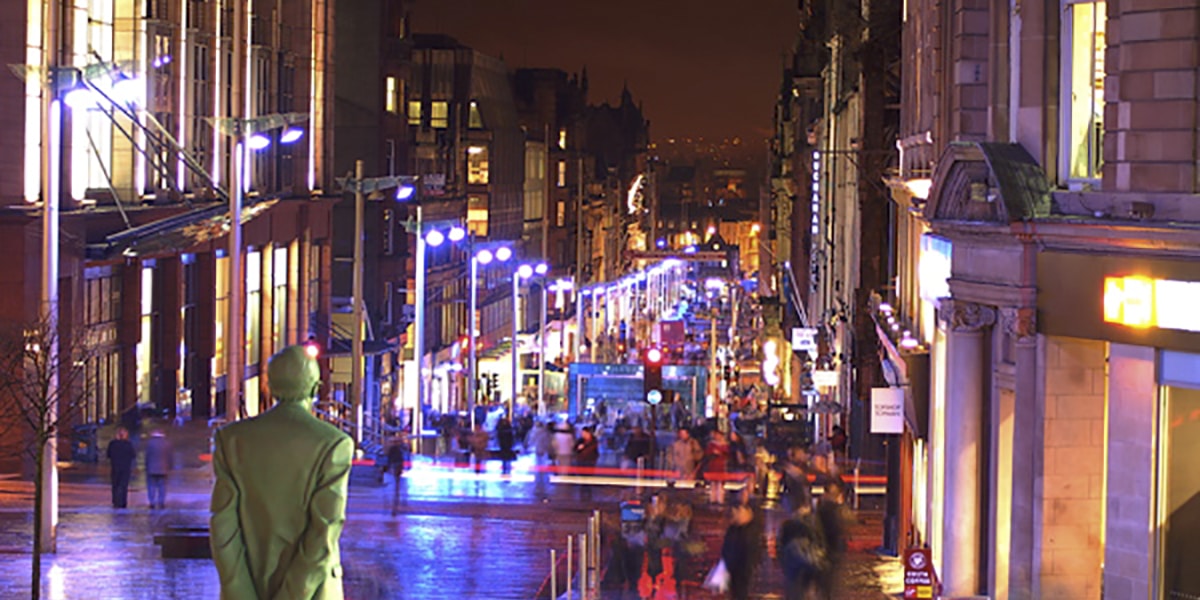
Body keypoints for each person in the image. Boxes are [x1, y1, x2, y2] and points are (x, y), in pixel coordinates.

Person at [210, 344, 353, 599]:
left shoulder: (231, 440)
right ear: (315, 388)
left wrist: (239, 591)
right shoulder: (333, 444)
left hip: (249, 584)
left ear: (270, 387)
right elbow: (324, 533)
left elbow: (223, 526)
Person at [778, 503, 827, 600]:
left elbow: (781, 547)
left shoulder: (787, 525)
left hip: (794, 570)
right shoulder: (812, 524)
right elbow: (820, 543)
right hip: (808, 568)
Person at [814, 480, 853, 599]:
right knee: (829, 583)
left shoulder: (821, 507)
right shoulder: (831, 509)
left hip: (825, 550)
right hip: (831, 550)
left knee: (827, 584)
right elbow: (847, 522)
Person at [720, 502, 762, 600]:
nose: (734, 514)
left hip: (743, 571)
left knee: (740, 593)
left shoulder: (751, 531)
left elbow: (751, 552)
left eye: (737, 511)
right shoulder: (734, 529)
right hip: (733, 569)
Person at [106, 427, 136, 509]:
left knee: (115, 485)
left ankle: (115, 501)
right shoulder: (128, 444)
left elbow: (108, 455)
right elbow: (133, 455)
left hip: (115, 467)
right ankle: (123, 502)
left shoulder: (113, 444)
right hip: (126, 468)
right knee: (124, 486)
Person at [143, 429, 172, 509]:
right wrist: (169, 466)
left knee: (151, 486)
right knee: (162, 486)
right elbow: (170, 457)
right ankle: (161, 502)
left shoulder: (150, 443)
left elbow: (147, 456)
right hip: (163, 468)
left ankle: (152, 502)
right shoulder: (167, 443)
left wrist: (146, 466)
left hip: (151, 468)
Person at [704, 430, 731, 504]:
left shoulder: (725, 445)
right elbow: (707, 454)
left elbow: (728, 455)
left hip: (721, 466)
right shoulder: (711, 445)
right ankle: (713, 499)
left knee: (720, 484)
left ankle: (720, 499)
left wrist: (721, 453)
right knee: (713, 484)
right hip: (713, 466)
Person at [574, 427, 600, 501]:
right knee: (582, 479)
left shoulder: (593, 441)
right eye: (582, 433)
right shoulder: (580, 441)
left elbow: (594, 451)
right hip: (581, 462)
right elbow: (574, 449)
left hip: (590, 462)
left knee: (589, 478)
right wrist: (578, 449)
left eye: (584, 433)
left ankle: (588, 494)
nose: (583, 435)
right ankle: (582, 494)